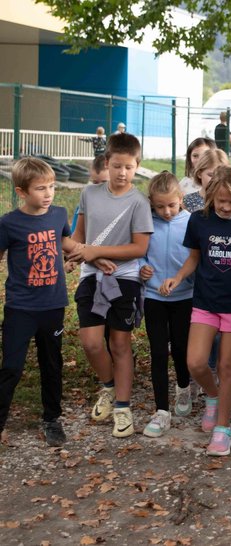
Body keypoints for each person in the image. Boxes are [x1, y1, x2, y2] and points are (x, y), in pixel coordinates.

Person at [161, 166, 231, 456]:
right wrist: (178, 277)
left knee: (225, 365)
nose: (225, 206)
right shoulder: (199, 220)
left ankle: (223, 429)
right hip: (206, 301)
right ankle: (213, 396)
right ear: (210, 196)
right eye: (220, 200)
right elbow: (194, 257)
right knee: (195, 362)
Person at [69, 133, 154, 438]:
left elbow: (139, 247)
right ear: (106, 162)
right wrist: (76, 254)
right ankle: (107, 386)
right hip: (91, 277)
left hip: (125, 280)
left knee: (120, 344)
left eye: (129, 167)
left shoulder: (139, 202)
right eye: (117, 166)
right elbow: (78, 235)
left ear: (137, 167)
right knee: (91, 342)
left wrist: (97, 252)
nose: (122, 173)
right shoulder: (89, 195)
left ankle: (123, 406)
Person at [0, 158, 82, 447]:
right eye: (40, 189)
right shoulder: (9, 223)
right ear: (22, 192)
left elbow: (68, 246)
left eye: (51, 187)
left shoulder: (59, 214)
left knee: (52, 364)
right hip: (20, 308)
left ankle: (51, 418)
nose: (48, 194)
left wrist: (97, 255)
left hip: (52, 306)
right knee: (11, 366)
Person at [139, 172, 194, 438]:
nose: (167, 211)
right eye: (160, 206)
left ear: (180, 199)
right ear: (151, 203)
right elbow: (139, 253)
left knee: (182, 348)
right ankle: (161, 410)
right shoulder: (147, 222)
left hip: (185, 297)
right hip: (154, 297)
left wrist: (185, 277)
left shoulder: (191, 222)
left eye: (171, 205)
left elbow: (197, 258)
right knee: (159, 351)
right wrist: (142, 268)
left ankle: (183, 386)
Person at [183, 149, 229, 213]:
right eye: (211, 175)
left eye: (220, 175)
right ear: (199, 173)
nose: (216, 179)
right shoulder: (188, 201)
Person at [71, 156, 109, 233]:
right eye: (95, 182)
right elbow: (75, 233)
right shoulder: (84, 206)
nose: (99, 187)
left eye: (104, 182)